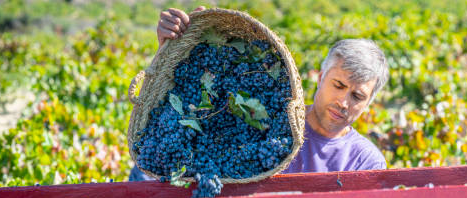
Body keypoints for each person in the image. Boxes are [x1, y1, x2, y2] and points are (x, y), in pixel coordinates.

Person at [129, 7, 388, 181]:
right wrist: (176, 49)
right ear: (321, 78)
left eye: (357, 96)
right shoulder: (269, 121)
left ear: (369, 102)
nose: (343, 102)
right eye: (339, 85)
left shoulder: (365, 161)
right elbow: (189, 151)